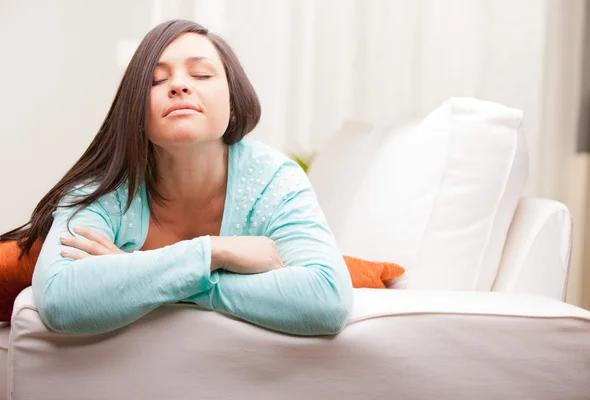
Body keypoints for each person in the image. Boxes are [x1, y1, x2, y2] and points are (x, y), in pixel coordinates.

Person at [0, 20, 353, 336]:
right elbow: (62, 300)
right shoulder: (103, 189)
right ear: (134, 109)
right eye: (156, 80)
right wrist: (214, 252)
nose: (180, 86)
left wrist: (133, 274)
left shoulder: (273, 179)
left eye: (201, 75)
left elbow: (327, 299)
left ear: (234, 97)